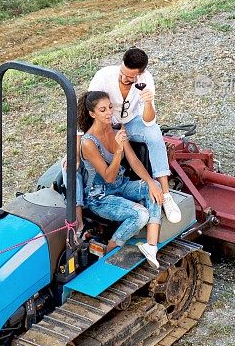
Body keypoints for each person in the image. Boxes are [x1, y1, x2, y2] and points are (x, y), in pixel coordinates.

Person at [88, 47, 182, 223]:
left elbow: (148, 121)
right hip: (107, 125)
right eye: (123, 73)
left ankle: (166, 195)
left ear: (141, 74)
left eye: (130, 77)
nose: (124, 78)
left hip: (131, 123)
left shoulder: (147, 81)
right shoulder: (103, 76)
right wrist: (75, 144)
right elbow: (88, 108)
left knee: (154, 134)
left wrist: (148, 102)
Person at [78, 90, 163, 268]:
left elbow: (133, 160)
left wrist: (149, 182)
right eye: (102, 110)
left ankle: (151, 246)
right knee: (140, 215)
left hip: (121, 185)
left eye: (110, 107)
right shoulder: (88, 143)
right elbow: (108, 177)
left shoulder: (117, 128)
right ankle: (109, 251)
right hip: (100, 197)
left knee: (154, 186)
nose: (109, 112)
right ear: (92, 114)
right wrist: (117, 150)